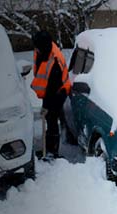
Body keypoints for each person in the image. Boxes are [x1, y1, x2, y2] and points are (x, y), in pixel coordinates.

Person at [30, 30, 71, 159]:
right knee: (49, 119)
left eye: (38, 47)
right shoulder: (42, 51)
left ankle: (52, 152)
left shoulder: (55, 61)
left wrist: (46, 106)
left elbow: (52, 88)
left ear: (44, 45)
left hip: (59, 92)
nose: (36, 49)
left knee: (52, 120)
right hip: (50, 91)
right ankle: (48, 148)